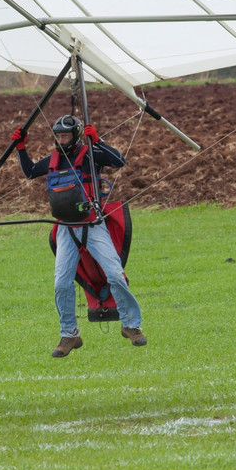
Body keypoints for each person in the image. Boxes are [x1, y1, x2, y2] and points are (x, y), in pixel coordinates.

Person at [11, 114, 146, 358]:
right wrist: (21, 148)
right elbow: (30, 172)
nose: (61, 140)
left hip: (93, 225)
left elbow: (119, 161)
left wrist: (98, 142)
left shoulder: (89, 156)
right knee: (61, 283)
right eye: (58, 137)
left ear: (75, 137)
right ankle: (70, 334)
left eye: (65, 136)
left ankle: (131, 325)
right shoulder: (53, 159)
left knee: (115, 275)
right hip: (65, 229)